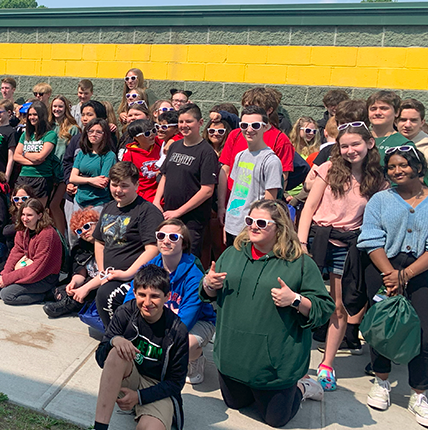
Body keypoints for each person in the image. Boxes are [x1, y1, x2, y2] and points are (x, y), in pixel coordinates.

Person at [201, 199, 331, 428]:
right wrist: (209, 284)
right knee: (234, 404)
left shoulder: (299, 263)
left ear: (279, 227)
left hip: (274, 367)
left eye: (261, 222)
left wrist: (296, 300)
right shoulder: (232, 253)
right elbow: (207, 293)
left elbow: (323, 308)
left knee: (275, 420)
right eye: (250, 220)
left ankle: (302, 387)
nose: (253, 226)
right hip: (233, 359)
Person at [297, 124, 388, 390]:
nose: (350, 150)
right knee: (305, 300)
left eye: (355, 144)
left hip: (350, 244)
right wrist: (302, 243)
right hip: (318, 239)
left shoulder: (377, 180)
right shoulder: (327, 170)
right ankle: (297, 358)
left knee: (339, 305)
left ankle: (327, 363)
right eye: (344, 146)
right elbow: (309, 207)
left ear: (369, 143)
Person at [76, 264, 188, 430]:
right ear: (134, 293)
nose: (147, 302)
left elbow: (176, 383)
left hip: (157, 385)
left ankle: (143, 410)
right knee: (117, 351)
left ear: (167, 296)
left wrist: (140, 397)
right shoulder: (125, 312)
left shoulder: (177, 330)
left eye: (154, 296)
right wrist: (114, 341)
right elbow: (102, 360)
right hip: (130, 373)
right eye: (142, 294)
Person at [357, 145, 428, 428]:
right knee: (383, 328)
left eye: (403, 165)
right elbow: (370, 238)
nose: (397, 171)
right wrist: (390, 274)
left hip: (420, 271)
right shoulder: (380, 199)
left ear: (418, 167)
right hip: (382, 268)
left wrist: (406, 275)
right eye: (391, 167)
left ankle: (419, 393)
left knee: (424, 334)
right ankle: (381, 381)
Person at [124, 219, 217, 385]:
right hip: (161, 317)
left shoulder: (194, 275)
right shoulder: (150, 266)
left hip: (198, 321)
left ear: (184, 243)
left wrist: (158, 337)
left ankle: (195, 359)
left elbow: (187, 318)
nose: (166, 240)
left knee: (181, 345)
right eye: (161, 235)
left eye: (173, 237)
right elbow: (131, 299)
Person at [84, 161, 163, 328]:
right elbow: (99, 241)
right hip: (110, 274)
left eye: (124, 186)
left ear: (136, 185)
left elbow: (153, 249)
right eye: (114, 185)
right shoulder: (109, 207)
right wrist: (102, 272)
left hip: (134, 277)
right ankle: (113, 334)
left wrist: (127, 274)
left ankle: (115, 336)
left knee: (105, 294)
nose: (118, 190)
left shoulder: (147, 211)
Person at [153, 104, 218, 257]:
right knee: (167, 255)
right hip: (169, 214)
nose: (184, 126)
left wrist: (179, 212)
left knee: (186, 258)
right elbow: (165, 175)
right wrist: (156, 200)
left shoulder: (207, 152)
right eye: (181, 122)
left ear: (200, 123)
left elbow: (207, 190)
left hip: (192, 220)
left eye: (189, 122)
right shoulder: (174, 146)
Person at [221, 106, 284, 247]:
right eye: (244, 125)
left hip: (251, 229)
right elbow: (236, 192)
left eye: (255, 125)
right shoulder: (240, 155)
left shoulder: (271, 161)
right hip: (233, 224)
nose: (249, 130)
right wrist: (228, 223)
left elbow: (269, 203)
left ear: (266, 127)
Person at [0, 198, 62, 305]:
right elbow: (16, 252)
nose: (25, 218)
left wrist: (8, 279)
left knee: (7, 295)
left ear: (40, 215)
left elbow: (37, 267)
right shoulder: (23, 229)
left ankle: (47, 294)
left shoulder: (46, 234)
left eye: (29, 215)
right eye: (23, 214)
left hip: (44, 276)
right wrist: (5, 274)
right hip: (28, 268)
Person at [43, 207, 100, 318]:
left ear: (97, 224)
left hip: (102, 282)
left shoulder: (108, 244)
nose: (84, 232)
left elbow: (106, 274)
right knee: (63, 288)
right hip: (87, 280)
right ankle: (76, 302)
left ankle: (71, 304)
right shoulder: (80, 247)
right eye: (79, 231)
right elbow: (80, 273)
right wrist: (74, 282)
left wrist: (84, 287)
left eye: (87, 226)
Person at [13, 101, 59, 213]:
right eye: (30, 115)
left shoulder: (50, 135)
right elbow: (16, 156)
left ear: (42, 115)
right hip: (24, 176)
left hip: (41, 177)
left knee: (38, 212)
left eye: (35, 114)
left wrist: (25, 153)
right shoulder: (26, 134)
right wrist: (32, 161)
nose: (31, 117)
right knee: (21, 212)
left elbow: (41, 156)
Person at [69, 118, 116, 213]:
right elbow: (72, 178)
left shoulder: (109, 156)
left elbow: (102, 182)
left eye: (99, 132)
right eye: (91, 131)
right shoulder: (82, 153)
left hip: (98, 202)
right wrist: (91, 180)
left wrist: (81, 178)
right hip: (79, 201)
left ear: (105, 135)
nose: (94, 134)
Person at [121, 119, 160, 203]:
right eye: (147, 134)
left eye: (153, 131)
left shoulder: (159, 144)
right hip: (144, 197)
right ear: (136, 138)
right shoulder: (129, 155)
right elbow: (127, 177)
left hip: (162, 194)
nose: (152, 135)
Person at [396, 99, 428, 183]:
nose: (407, 125)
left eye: (413, 120)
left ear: (422, 122)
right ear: (395, 122)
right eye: (403, 120)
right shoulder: (387, 143)